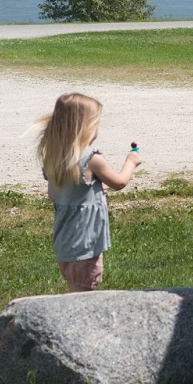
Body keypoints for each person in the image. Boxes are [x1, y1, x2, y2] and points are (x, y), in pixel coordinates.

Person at [35, 92, 142, 291]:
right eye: (95, 125)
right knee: (82, 294)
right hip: (85, 243)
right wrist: (130, 162)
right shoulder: (92, 159)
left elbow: (55, 194)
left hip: (64, 243)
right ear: (84, 129)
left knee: (74, 287)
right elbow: (119, 183)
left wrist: (95, 190)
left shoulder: (55, 158)